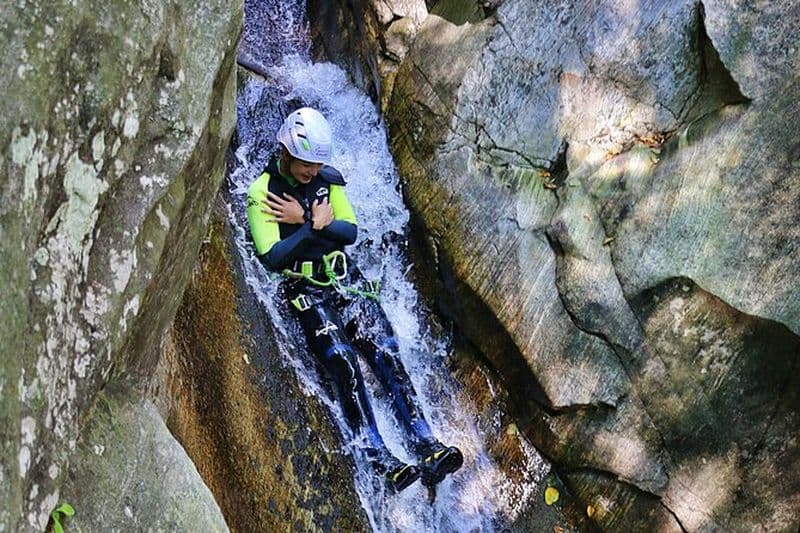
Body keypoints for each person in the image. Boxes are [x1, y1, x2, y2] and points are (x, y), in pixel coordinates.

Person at [246, 107, 463, 493]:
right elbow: (272, 257)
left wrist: (312, 224)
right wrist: (312, 225)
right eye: (305, 164)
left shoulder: (328, 181)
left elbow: (349, 232)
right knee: (344, 363)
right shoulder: (261, 193)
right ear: (286, 151)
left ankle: (427, 444)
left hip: (346, 280)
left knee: (385, 352)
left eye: (317, 164)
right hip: (305, 291)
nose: (312, 172)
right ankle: (378, 457)